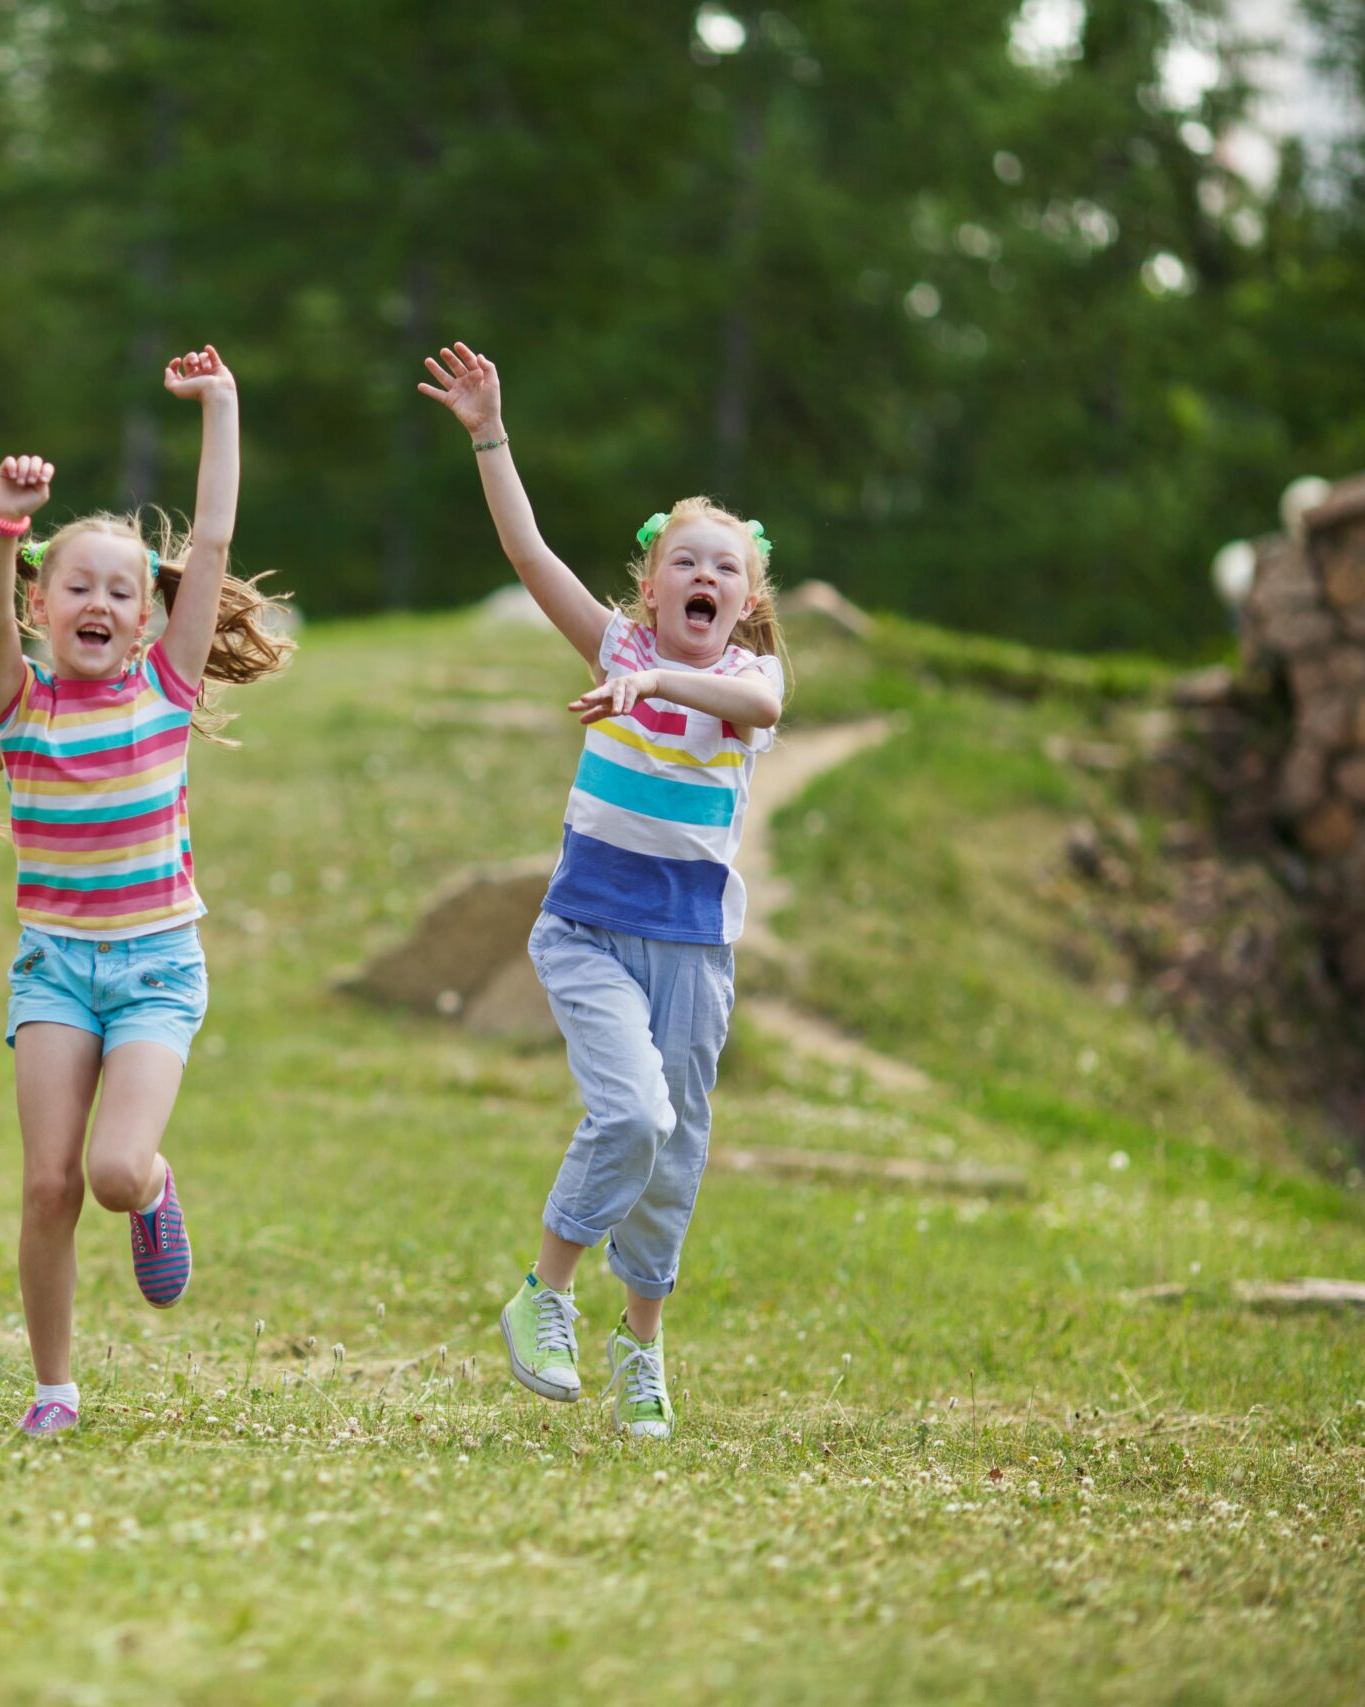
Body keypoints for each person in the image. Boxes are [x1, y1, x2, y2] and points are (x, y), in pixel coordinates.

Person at [418, 342, 789, 1440]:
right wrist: (489, 434)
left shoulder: (747, 681)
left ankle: (642, 1347)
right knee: (632, 1112)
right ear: (650, 585)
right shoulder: (613, 644)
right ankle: (543, 1296)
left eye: (724, 567)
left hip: (693, 954)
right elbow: (528, 553)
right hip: (588, 933)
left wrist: (650, 682)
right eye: (685, 561)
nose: (703, 577)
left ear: (745, 600)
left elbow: (758, 714)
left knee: (673, 1159)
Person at [0, 345, 295, 1438]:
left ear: (149, 619)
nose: (101, 600)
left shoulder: (165, 687)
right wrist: (3, 529)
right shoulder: (19, 705)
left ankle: (153, 1189)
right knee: (48, 1186)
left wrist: (222, 405)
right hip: (54, 967)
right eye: (78, 587)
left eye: (122, 589)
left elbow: (207, 541)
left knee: (109, 1174)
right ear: (44, 607)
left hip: (155, 964)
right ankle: (53, 1389)